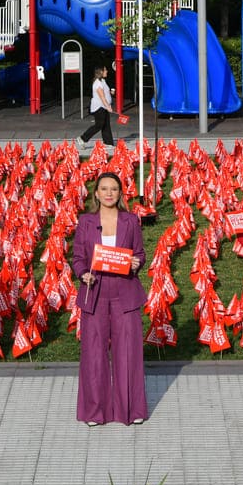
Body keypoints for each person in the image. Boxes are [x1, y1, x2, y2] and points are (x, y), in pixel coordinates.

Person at [72, 172, 148, 426]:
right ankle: (95, 412)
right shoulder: (85, 221)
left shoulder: (130, 220)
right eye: (104, 189)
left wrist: (136, 263)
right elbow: (78, 257)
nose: (108, 193)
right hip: (94, 293)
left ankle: (131, 410)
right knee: (94, 355)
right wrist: (83, 275)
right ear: (96, 193)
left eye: (114, 189)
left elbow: (139, 252)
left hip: (124, 292)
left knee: (128, 354)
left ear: (120, 193)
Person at [77, 66, 114, 149]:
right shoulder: (97, 83)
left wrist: (111, 93)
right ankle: (82, 138)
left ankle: (108, 143)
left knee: (106, 124)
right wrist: (108, 107)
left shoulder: (103, 81)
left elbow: (105, 94)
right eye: (105, 70)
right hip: (99, 107)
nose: (107, 71)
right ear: (101, 72)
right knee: (99, 125)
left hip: (103, 107)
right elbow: (102, 97)